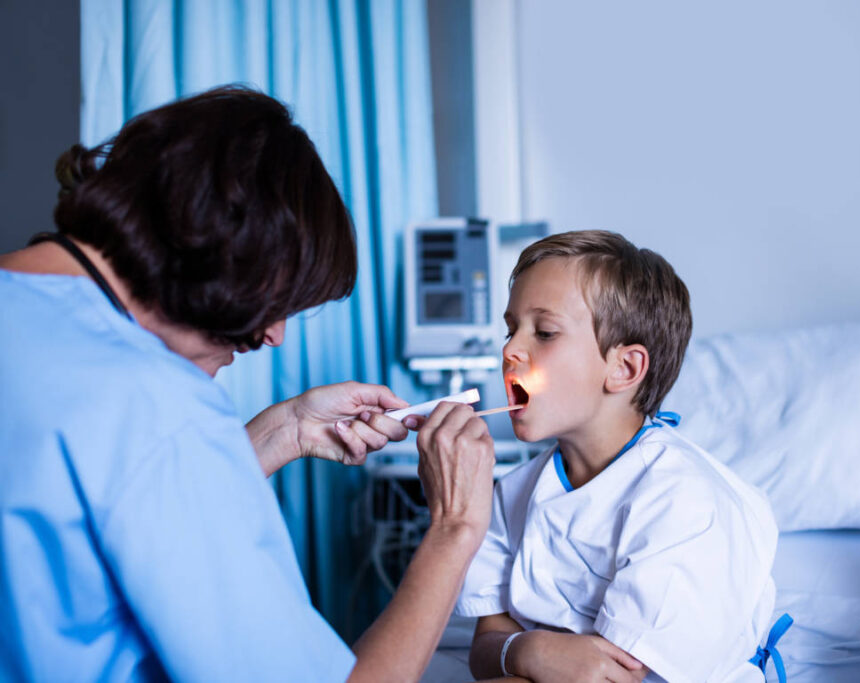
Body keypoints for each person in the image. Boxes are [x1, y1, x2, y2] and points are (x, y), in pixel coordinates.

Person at [0, 86, 495, 681]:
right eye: (275, 302)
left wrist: (283, 430)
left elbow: (100, 509)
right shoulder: (159, 406)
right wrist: (455, 530)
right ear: (224, 255)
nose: (275, 336)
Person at [455, 230, 780, 682]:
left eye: (544, 332)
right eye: (511, 329)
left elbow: (616, 675)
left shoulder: (683, 503)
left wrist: (522, 655)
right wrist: (526, 649)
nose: (509, 350)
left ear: (623, 368)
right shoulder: (511, 495)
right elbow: (485, 646)